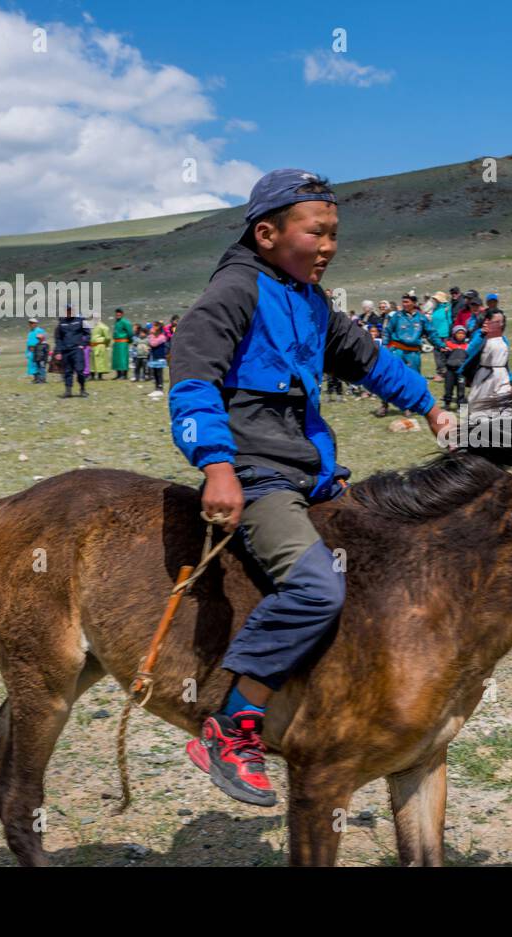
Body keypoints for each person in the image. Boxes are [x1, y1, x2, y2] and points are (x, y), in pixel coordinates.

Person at [167, 168, 448, 805]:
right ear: (266, 234)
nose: (328, 246)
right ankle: (234, 725)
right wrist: (216, 464)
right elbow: (191, 380)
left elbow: (369, 361)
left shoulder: (312, 302)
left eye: (334, 234)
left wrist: (431, 407)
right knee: (316, 585)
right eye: (315, 232)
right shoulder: (235, 291)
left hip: (315, 474)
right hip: (257, 475)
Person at [377, 293, 434, 416]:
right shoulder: (397, 316)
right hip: (397, 351)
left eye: (407, 302)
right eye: (403, 302)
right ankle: (384, 405)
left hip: (413, 353)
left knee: (413, 379)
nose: (404, 304)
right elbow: (387, 331)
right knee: (391, 377)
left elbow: (431, 333)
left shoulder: (422, 318)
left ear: (414, 303)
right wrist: (385, 347)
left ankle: (408, 406)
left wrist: (441, 345)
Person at [461, 309, 512, 411]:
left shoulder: (503, 339)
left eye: (501, 321)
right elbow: (469, 351)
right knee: (476, 403)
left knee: (503, 403)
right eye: (496, 321)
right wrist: (482, 335)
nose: (500, 324)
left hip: (501, 375)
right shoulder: (480, 334)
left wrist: (510, 379)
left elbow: (505, 362)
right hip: (484, 374)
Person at [55, 306, 90, 398]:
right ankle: (68, 391)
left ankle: (82, 389)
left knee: (80, 370)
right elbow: (58, 338)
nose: (69, 312)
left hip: (77, 350)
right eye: (67, 310)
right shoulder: (61, 323)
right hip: (66, 351)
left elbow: (88, 333)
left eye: (70, 310)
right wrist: (58, 351)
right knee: (67, 371)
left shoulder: (81, 320)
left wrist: (83, 344)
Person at [442, 324, 470, 409]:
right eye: (459, 333)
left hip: (461, 372)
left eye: (463, 333)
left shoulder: (467, 346)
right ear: (454, 334)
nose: (461, 335)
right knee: (448, 388)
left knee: (461, 389)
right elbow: (442, 356)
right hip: (450, 370)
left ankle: (460, 406)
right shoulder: (448, 344)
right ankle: (447, 403)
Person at [427, 291, 453, 382]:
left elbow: (449, 321)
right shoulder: (435, 309)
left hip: (444, 335)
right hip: (435, 334)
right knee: (437, 354)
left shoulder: (447, 308)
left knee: (443, 354)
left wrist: (450, 334)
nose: (434, 300)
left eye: (436, 299)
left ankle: (443, 373)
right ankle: (441, 372)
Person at [146, 321, 168, 395]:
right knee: (155, 373)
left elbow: (153, 344)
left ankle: (160, 388)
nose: (152, 328)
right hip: (154, 358)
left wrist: (151, 335)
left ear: (158, 328)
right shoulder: (153, 336)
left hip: (159, 358)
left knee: (159, 373)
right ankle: (156, 388)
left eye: (154, 326)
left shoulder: (162, 337)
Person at [89, 312, 112, 380]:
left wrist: (105, 344)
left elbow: (108, 337)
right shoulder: (91, 326)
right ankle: (93, 375)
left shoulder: (103, 326)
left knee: (99, 361)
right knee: (92, 361)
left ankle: (99, 376)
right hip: (93, 345)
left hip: (99, 345)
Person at [112, 308, 132, 379]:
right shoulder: (116, 322)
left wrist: (129, 340)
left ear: (122, 314)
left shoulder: (125, 322)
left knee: (123, 359)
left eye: (119, 312)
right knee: (117, 359)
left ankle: (124, 375)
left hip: (123, 343)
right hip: (116, 343)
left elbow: (130, 332)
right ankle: (118, 374)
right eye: (117, 313)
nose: (118, 314)